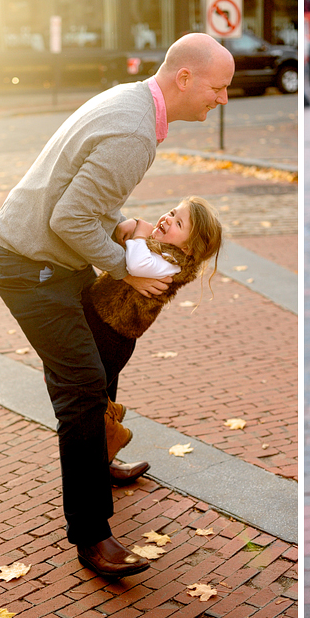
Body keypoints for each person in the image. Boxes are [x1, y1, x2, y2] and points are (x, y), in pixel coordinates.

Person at [0, 33, 234, 579]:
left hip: (55, 257)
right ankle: (92, 535)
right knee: (81, 389)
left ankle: (99, 459)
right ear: (185, 78)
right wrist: (127, 267)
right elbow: (69, 220)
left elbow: (84, 200)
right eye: (217, 88)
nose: (221, 99)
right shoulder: (135, 132)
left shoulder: (130, 100)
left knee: (99, 361)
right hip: (32, 266)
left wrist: (118, 224)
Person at [84, 197, 223, 462]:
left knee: (87, 394)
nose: (168, 219)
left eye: (178, 222)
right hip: (101, 318)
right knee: (90, 389)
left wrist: (137, 233)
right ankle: (108, 429)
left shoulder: (172, 264)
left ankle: (112, 436)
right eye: (172, 212)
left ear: (189, 248)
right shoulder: (160, 248)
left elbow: (135, 264)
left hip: (115, 336)